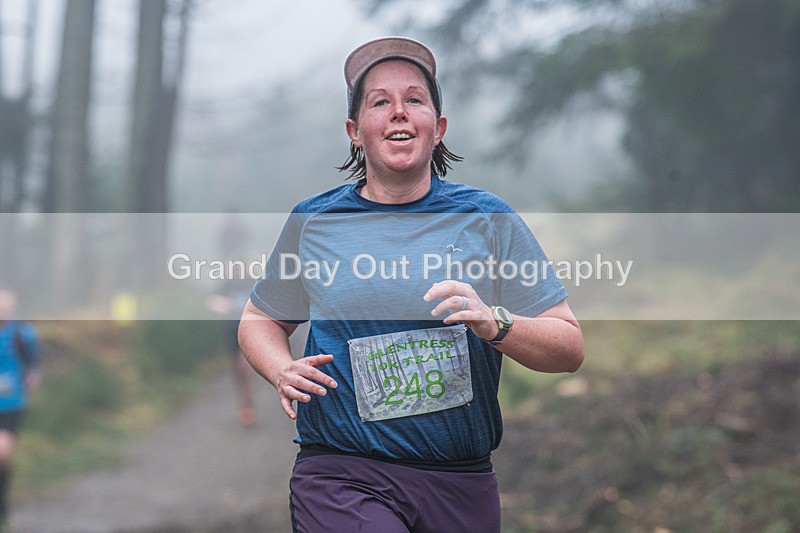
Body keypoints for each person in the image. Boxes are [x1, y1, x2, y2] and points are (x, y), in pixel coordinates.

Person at [238, 37, 584, 532]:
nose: (399, 112)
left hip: (460, 480)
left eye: (414, 99)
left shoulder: (487, 219)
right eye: (380, 102)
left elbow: (568, 347)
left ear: (437, 128)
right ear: (355, 132)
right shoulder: (315, 221)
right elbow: (260, 319)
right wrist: (279, 368)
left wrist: (495, 323)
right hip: (343, 470)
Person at [0, 290, 40, 526]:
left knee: (2, 453)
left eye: (6, 307)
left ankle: (3, 508)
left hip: (11, 404)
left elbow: (34, 362)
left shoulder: (23, 334)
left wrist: (33, 376)